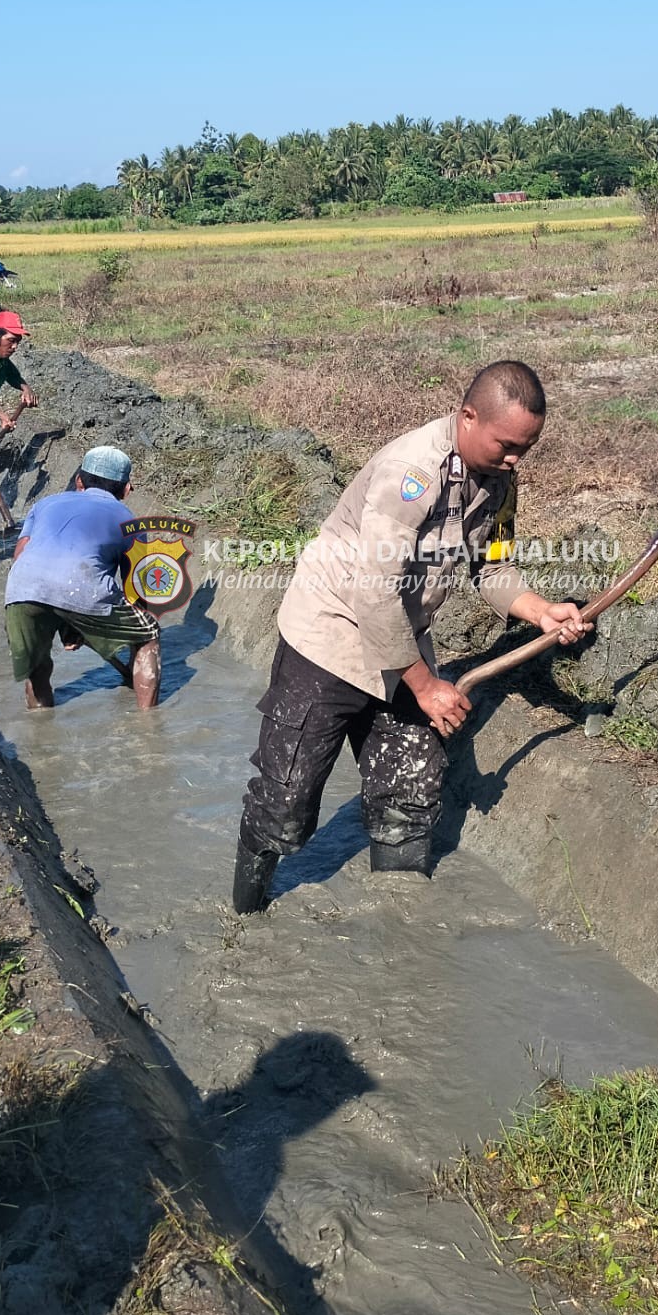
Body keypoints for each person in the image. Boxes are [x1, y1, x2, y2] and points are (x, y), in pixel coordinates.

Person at [231, 360, 590, 913]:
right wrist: (425, 687)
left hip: (403, 637)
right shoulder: (410, 474)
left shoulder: (499, 481)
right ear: (467, 416)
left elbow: (492, 569)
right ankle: (245, 919)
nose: (516, 459)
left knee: (410, 787)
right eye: (506, 445)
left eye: (527, 446)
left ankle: (398, 925)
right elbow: (374, 593)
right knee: (286, 802)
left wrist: (541, 611)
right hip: (330, 638)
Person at [3, 445, 161, 712]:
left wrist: (67, 617)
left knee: (37, 671)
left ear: (79, 481)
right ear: (126, 489)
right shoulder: (128, 520)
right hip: (81, 589)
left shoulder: (44, 504)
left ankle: (41, 733)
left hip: (21, 590)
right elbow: (135, 589)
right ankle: (148, 727)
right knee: (149, 636)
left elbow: (20, 556)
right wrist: (133, 630)